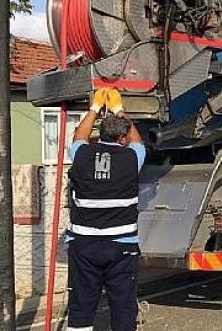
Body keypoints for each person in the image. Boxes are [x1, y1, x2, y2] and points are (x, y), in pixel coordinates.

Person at [66, 88, 146, 331]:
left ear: (99, 135)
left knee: (81, 304)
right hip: (121, 246)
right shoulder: (131, 159)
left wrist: (94, 108)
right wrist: (119, 109)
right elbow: (138, 141)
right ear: (122, 139)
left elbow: (78, 137)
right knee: (123, 305)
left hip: (83, 245)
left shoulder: (81, 155)